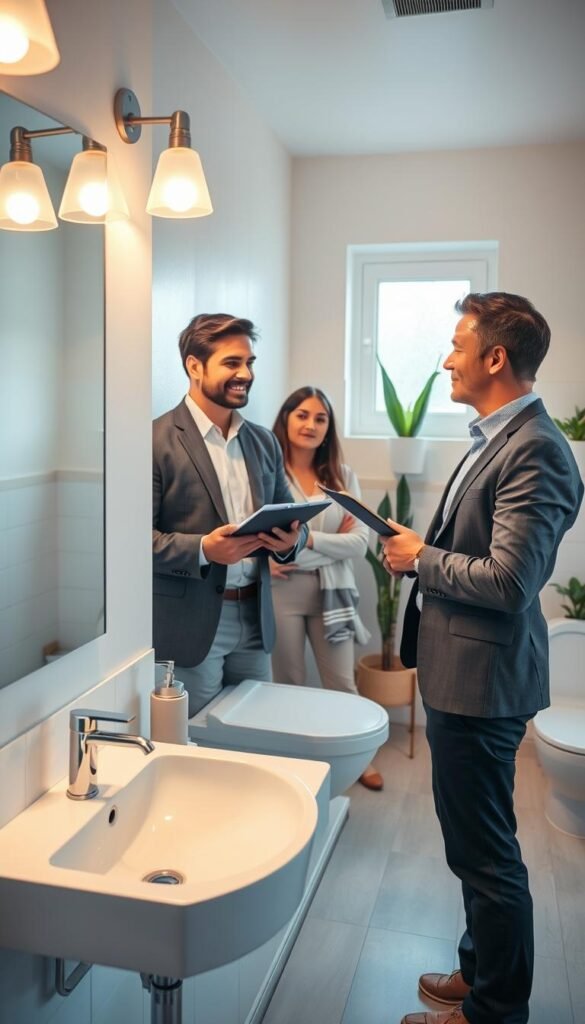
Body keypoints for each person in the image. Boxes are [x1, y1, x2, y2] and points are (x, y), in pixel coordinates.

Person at [381, 292, 583, 1024]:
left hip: (482, 682)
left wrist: (420, 558)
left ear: (495, 357)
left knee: (487, 858)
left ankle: (494, 1010)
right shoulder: (498, 435)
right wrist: (423, 552)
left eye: (457, 346)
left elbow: (507, 581)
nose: (445, 360)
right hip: (463, 674)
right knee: (473, 847)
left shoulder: (535, 447)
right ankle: (479, 970)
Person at [153, 313, 306, 717]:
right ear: (194, 366)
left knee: (256, 733)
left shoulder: (263, 441)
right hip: (192, 626)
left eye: (249, 363)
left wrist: (293, 542)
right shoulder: (154, 440)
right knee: (199, 745)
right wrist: (205, 549)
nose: (245, 373)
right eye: (232, 363)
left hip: (256, 621)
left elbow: (291, 515)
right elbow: (131, 541)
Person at [271, 386, 384, 791]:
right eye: (302, 415)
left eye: (320, 419)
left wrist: (301, 545)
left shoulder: (342, 476)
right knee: (288, 681)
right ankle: (292, 763)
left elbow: (360, 545)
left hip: (331, 590)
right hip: (280, 591)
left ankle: (358, 759)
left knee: (342, 683)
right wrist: (280, 553)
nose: (311, 425)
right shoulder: (270, 471)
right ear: (286, 418)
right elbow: (263, 543)